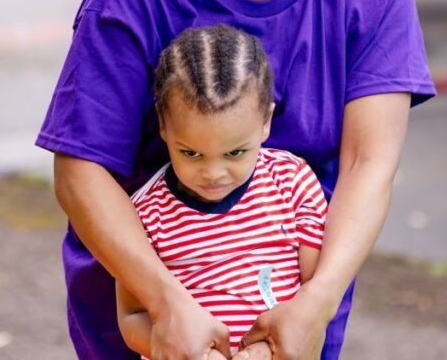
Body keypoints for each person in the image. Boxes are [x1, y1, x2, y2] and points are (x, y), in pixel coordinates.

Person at [37, 0, 436, 360]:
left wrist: (318, 300)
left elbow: (367, 163)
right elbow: (81, 172)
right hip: (149, 317)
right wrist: (167, 307)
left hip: (289, 319)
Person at [117, 24, 328, 360]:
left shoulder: (293, 184)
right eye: (191, 153)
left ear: (265, 122)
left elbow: (312, 298)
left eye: (235, 153)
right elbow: (131, 318)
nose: (213, 174)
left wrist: (262, 352)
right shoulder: (143, 214)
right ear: (163, 124)